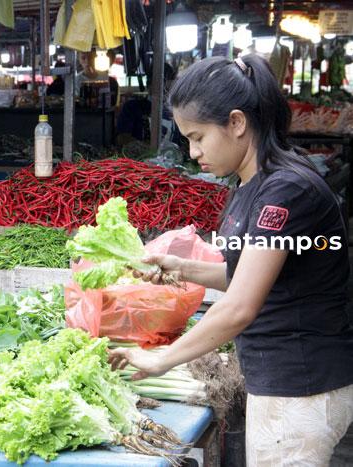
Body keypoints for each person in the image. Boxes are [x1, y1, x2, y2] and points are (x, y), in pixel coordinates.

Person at [108, 55, 353, 466]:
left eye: (198, 136)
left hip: (301, 382)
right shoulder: (252, 183)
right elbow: (249, 276)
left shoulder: (285, 191)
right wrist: (179, 268)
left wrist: (161, 359)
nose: (192, 151)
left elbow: (240, 306)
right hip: (282, 379)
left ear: (237, 123)